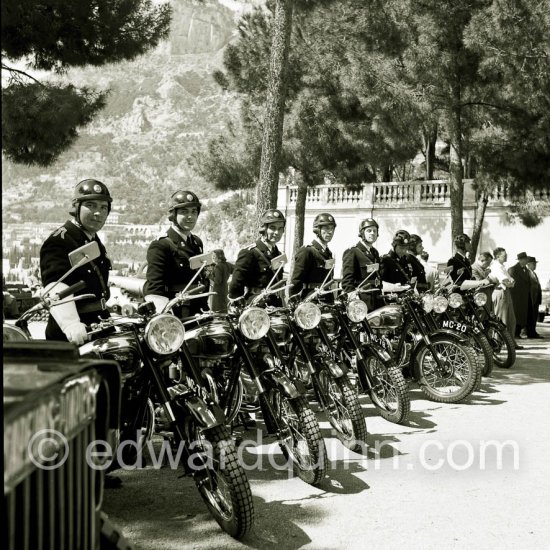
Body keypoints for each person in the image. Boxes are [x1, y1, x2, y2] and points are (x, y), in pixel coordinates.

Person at [40, 179, 112, 345]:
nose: (98, 213)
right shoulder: (60, 240)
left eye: (103, 207)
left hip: (98, 324)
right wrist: (70, 323)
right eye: (91, 205)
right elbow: (55, 285)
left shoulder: (91, 238)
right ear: (76, 208)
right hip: (73, 334)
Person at [144, 190, 208, 317]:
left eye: (194, 212)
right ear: (173, 215)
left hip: (199, 310)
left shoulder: (196, 242)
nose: (190, 216)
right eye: (184, 212)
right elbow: (155, 289)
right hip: (177, 314)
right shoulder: (161, 245)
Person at [229, 209, 286, 306]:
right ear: (264, 229)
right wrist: (239, 307)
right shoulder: (249, 253)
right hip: (256, 305)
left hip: (276, 305)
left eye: (280, 228)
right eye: (272, 228)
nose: (277, 232)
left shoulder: (278, 253)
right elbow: (235, 285)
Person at [289, 213, 336, 301]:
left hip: (328, 298)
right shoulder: (307, 251)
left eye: (332, 228)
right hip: (312, 299)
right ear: (318, 230)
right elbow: (296, 281)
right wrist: (293, 301)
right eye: (326, 228)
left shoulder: (328, 253)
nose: (330, 232)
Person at [341, 218, 383, 310]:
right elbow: (347, 282)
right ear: (362, 233)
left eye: (374, 231)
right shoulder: (352, 252)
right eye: (369, 230)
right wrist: (355, 301)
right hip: (362, 300)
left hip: (376, 297)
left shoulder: (374, 252)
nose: (372, 233)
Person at [490, 247, 521, 349]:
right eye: (504, 255)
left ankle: (511, 343)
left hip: (506, 292)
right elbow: (505, 281)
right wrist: (509, 283)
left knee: (511, 320)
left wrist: (510, 282)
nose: (506, 256)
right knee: (501, 320)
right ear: (498, 256)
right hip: (500, 293)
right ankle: (497, 343)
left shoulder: (502, 266)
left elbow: (511, 280)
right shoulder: (496, 266)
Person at [508, 252, 533, 339]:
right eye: (525, 259)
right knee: (516, 315)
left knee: (522, 315)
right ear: (521, 260)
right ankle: (515, 333)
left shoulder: (526, 270)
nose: (527, 261)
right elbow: (510, 284)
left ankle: (518, 333)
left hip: (524, 297)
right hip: (516, 297)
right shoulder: (513, 269)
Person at [526, 256, 543, 338]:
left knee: (534, 316)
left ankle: (533, 332)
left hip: (535, 298)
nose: (535, 265)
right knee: (531, 316)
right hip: (531, 298)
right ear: (528, 264)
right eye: (533, 264)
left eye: (535, 264)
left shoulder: (534, 273)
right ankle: (530, 332)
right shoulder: (527, 273)